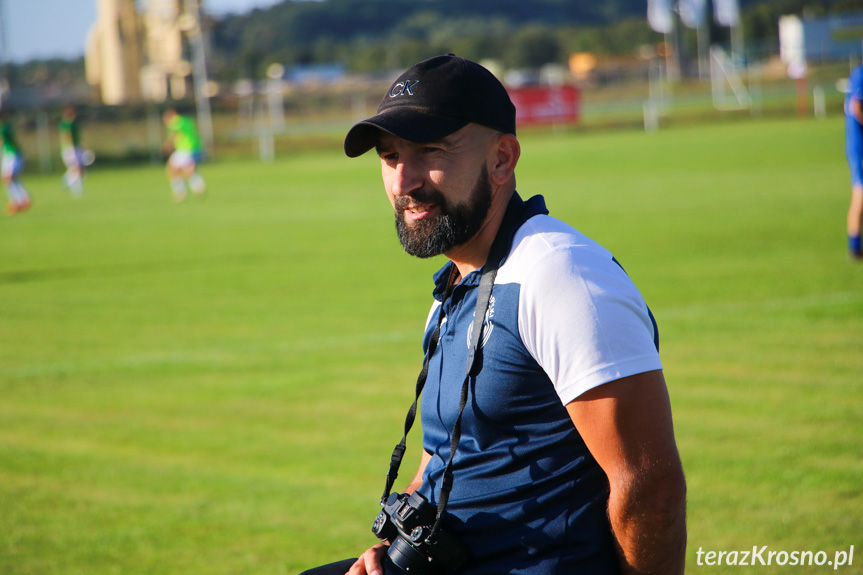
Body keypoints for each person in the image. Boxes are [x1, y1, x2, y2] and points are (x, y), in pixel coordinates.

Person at [302, 55, 687, 575]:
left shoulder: (560, 274)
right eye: (390, 157)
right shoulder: (456, 285)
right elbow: (441, 458)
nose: (404, 181)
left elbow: (647, 484)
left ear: (502, 159)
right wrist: (387, 552)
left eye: (430, 151)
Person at [162, 108, 206, 202]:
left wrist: (167, 146)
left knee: (172, 169)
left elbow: (176, 134)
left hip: (185, 149)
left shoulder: (176, 122)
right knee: (186, 169)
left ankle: (181, 191)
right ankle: (198, 186)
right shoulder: (187, 120)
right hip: (195, 147)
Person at [845, 64, 863, 260]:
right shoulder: (861, 75)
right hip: (860, 147)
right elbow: (856, 106)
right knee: (860, 191)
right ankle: (855, 246)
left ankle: (855, 245)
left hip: (856, 146)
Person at [0, 109, 32, 216]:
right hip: (13, 153)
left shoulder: (3, 128)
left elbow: (2, 142)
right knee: (11, 178)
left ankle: (18, 201)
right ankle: (22, 200)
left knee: (8, 178)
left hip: (11, 154)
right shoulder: (7, 125)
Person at [59, 106, 90, 198]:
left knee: (79, 170)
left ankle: (65, 182)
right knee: (77, 169)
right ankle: (76, 190)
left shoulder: (74, 123)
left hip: (76, 148)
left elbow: (77, 138)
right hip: (70, 149)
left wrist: (83, 147)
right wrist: (70, 149)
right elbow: (66, 137)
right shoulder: (66, 124)